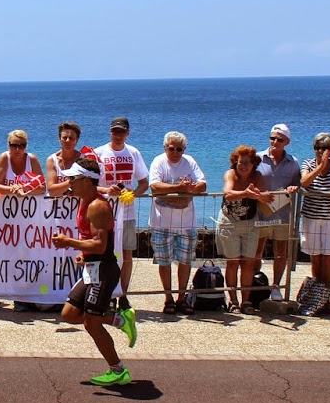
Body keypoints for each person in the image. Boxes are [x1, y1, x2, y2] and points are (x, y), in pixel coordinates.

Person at [50, 157, 139, 387]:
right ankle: (119, 319)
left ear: (87, 181)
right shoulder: (83, 200)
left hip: (104, 270)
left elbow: (100, 245)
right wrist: (83, 253)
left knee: (91, 323)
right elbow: (91, 241)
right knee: (69, 314)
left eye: (73, 178)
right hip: (92, 267)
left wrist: (69, 242)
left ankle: (118, 370)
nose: (69, 181)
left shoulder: (97, 206)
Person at [147, 131, 206, 314]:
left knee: (185, 261)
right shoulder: (158, 161)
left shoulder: (189, 161)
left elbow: (203, 185)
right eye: (171, 148)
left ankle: (181, 298)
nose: (175, 152)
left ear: (184, 149)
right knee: (164, 262)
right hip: (161, 222)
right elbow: (155, 187)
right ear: (165, 148)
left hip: (186, 222)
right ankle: (168, 298)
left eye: (179, 149)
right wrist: (181, 188)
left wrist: (188, 190)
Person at [94, 117, 148, 295]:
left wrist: (133, 195)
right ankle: (103, 292)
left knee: (126, 256)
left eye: (122, 132)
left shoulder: (133, 153)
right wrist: (105, 190)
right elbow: (89, 183)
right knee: (102, 254)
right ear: (110, 132)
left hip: (127, 214)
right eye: (115, 131)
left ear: (128, 133)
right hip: (103, 214)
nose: (118, 135)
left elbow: (143, 182)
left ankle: (122, 293)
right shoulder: (98, 153)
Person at [219, 145, 270, 312]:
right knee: (232, 263)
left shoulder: (258, 176)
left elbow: (266, 197)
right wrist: (247, 194)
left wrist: (258, 195)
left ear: (253, 164)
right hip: (230, 222)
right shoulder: (230, 174)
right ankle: (233, 301)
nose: (244, 166)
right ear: (235, 162)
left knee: (248, 263)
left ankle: (246, 301)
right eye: (241, 162)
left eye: (248, 163)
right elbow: (228, 193)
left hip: (250, 222)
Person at [253, 124, 301, 288]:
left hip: (283, 215)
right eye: (272, 138)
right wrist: (258, 194)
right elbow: (248, 181)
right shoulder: (257, 158)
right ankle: (254, 284)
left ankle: (275, 287)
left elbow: (296, 183)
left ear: (287, 142)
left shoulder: (293, 162)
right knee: (256, 252)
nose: (275, 142)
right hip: (260, 213)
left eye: (279, 139)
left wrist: (294, 188)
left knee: (281, 253)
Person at [298, 133, 330, 291]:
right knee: (316, 258)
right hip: (311, 217)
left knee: (328, 259)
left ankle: (325, 294)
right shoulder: (308, 164)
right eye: (317, 148)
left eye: (324, 148)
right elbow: (304, 182)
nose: (320, 151)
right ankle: (316, 293)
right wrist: (319, 167)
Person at [0, 130, 45, 195]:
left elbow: (43, 188)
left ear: (26, 146)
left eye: (21, 146)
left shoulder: (32, 160)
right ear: (8, 145)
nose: (17, 149)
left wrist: (24, 188)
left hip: (27, 203)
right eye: (14, 145)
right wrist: (15, 190)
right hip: (5, 203)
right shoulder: (4, 158)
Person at [43, 121, 84, 197]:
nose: (68, 141)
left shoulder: (83, 159)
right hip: (57, 207)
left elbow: (88, 188)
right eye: (65, 138)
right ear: (59, 139)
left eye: (71, 138)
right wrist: (72, 182)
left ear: (76, 141)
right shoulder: (52, 160)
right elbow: (52, 191)